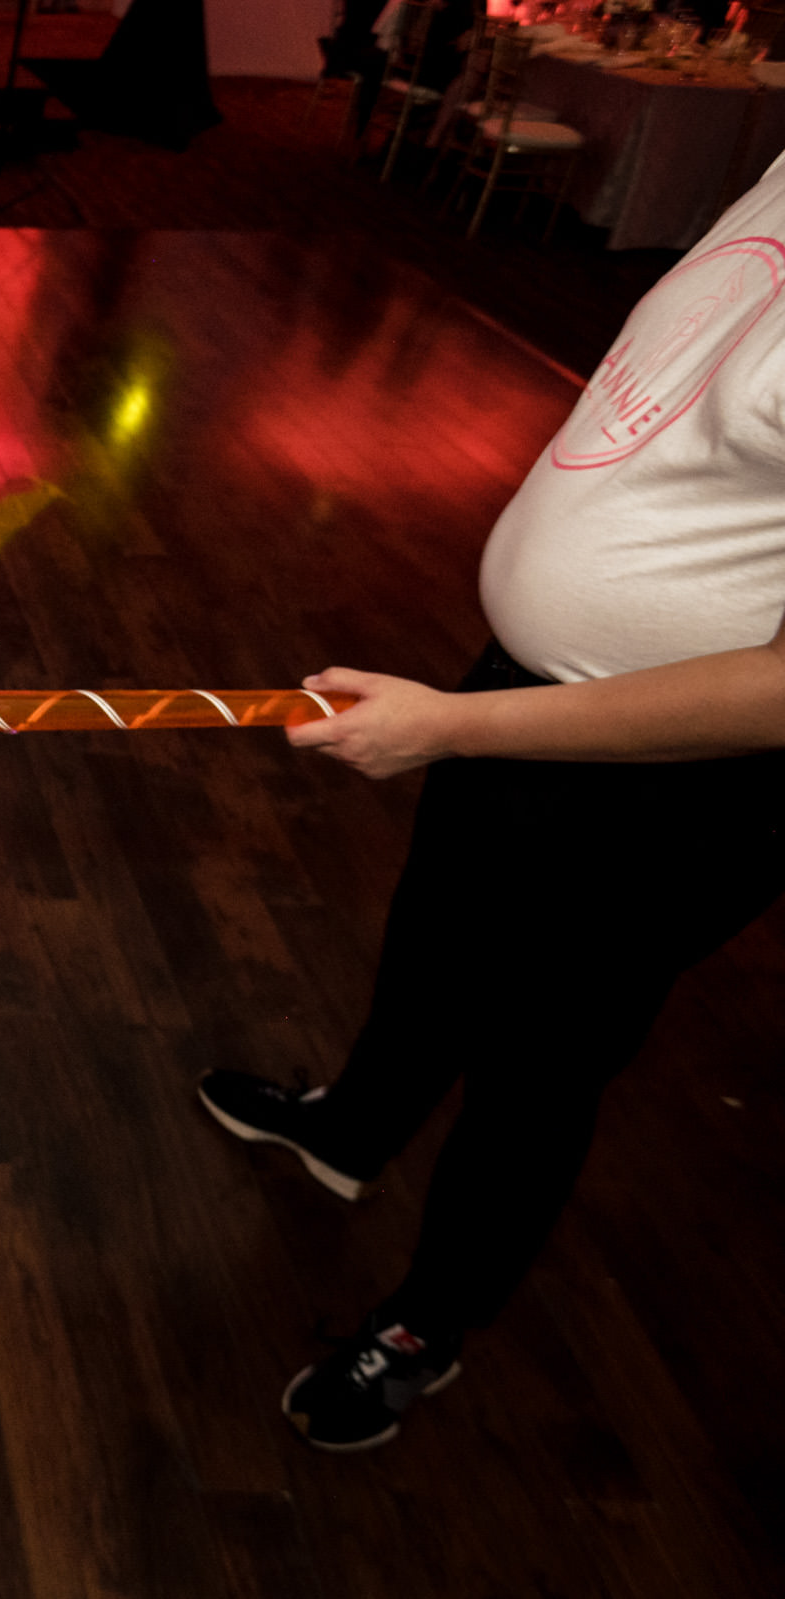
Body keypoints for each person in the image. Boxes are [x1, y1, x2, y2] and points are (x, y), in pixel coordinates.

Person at [197, 160, 785, 1452]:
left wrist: (456, 726)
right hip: (521, 693)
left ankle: (428, 1323)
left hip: (667, 789)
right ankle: (352, 1126)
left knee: (540, 1063)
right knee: (435, 942)